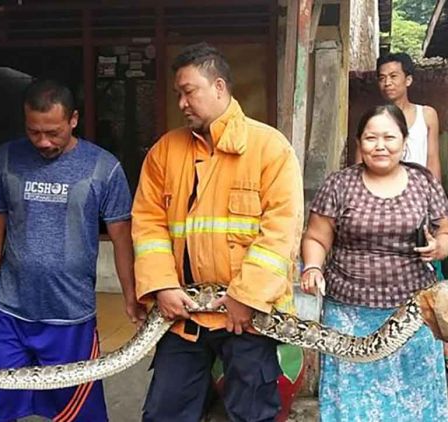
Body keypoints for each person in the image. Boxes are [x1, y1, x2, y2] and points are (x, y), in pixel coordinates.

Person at [131, 42, 304, 422]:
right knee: (165, 412)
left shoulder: (269, 148)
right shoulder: (164, 152)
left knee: (251, 414)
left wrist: (247, 297)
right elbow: (148, 225)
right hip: (183, 317)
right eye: (178, 94)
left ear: (220, 87)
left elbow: (281, 234)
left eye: (189, 91)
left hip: (249, 317)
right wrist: (161, 286)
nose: (182, 103)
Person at [0, 79, 145, 422]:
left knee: (79, 415)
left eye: (53, 132)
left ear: (73, 120)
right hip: (8, 315)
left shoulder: (103, 168)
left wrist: (131, 295)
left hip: (70, 318)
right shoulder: (5, 159)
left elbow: (122, 237)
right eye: (34, 132)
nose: (43, 141)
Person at [303, 104, 448, 420]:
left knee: (414, 398)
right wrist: (313, 266)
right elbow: (316, 237)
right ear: (359, 142)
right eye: (371, 138)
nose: (380, 146)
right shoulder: (339, 184)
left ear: (404, 140)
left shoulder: (424, 182)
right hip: (348, 315)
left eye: (389, 137)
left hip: (415, 315)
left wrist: (438, 247)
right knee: (353, 401)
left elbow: (446, 234)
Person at [357, 52, 448, 375]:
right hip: (381, 202)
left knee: (431, 273)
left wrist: (433, 209)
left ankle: (442, 341)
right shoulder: (375, 119)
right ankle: (386, 342)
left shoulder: (426, 114)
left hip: (419, 203)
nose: (387, 82)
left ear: (409, 79)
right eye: (382, 77)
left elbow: (433, 163)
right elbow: (358, 164)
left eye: (393, 76)